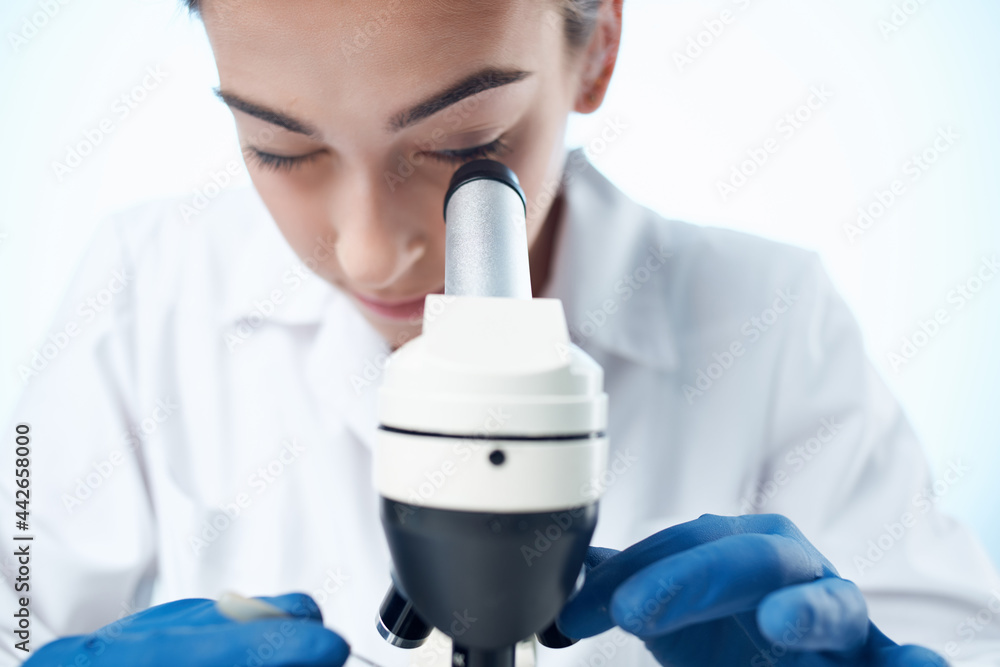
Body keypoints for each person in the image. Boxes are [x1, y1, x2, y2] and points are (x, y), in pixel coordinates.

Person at [3, 0, 998, 665]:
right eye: (281, 149)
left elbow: (956, 636)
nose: (370, 255)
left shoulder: (772, 319)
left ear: (597, 46)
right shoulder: (141, 293)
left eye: (460, 146)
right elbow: (17, 609)